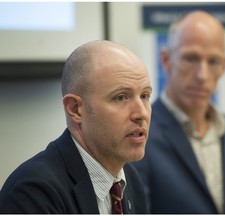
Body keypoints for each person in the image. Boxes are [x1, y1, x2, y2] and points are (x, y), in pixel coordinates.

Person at [133, 11, 225, 214]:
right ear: (166, 59)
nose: (202, 75)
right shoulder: (140, 134)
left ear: (224, 66)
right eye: (191, 58)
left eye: (213, 61)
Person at [0, 40, 152, 213]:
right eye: (120, 97)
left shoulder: (130, 180)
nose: (141, 113)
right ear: (75, 109)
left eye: (145, 96)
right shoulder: (33, 193)